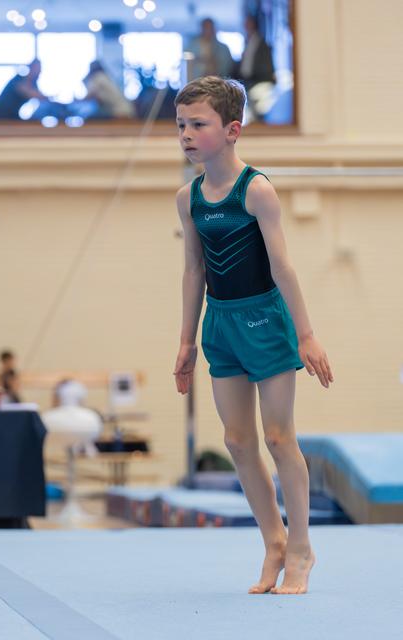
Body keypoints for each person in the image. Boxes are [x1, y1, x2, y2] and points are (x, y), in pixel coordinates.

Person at [173, 76, 333, 595]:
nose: (187, 135)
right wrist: (186, 341)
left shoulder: (256, 190)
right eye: (181, 125)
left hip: (265, 319)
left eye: (199, 125)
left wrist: (306, 335)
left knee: (278, 437)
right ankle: (275, 543)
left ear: (232, 130)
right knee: (238, 441)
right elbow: (194, 270)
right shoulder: (189, 197)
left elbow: (283, 267)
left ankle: (304, 549)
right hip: (219, 322)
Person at [235, 15, 276, 90]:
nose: (246, 25)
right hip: (246, 80)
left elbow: (266, 65)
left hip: (257, 81)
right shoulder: (247, 41)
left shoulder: (260, 42)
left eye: (248, 23)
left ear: (254, 24)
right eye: (245, 23)